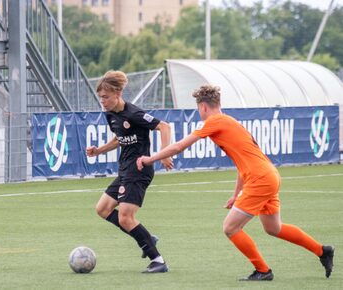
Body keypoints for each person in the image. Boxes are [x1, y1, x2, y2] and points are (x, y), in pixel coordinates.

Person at [137, 84, 334, 280]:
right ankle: (322, 251)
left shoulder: (214, 122)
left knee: (230, 227)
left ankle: (263, 271)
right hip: (268, 175)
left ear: (203, 107)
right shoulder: (231, 122)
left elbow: (179, 146)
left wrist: (150, 159)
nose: (199, 112)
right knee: (274, 228)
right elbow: (243, 164)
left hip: (260, 179)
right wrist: (236, 194)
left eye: (199, 109)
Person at [86, 70, 173, 273]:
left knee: (126, 217)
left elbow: (164, 126)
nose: (102, 101)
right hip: (125, 170)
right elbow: (119, 138)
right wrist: (99, 150)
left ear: (118, 93)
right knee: (102, 209)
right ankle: (145, 237)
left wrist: (165, 154)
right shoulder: (111, 115)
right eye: (100, 97)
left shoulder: (134, 113)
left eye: (106, 97)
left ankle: (158, 260)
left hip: (139, 170)